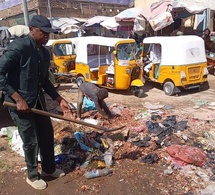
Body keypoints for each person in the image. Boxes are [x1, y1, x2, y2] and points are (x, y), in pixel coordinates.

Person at [0, 15, 71, 190]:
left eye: (49, 33)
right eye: (43, 32)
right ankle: (32, 175)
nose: (47, 36)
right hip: (19, 104)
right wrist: (17, 98)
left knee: (46, 134)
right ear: (32, 30)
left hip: (37, 100)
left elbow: (45, 80)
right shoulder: (19, 47)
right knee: (30, 139)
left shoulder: (44, 52)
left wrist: (59, 99)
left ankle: (48, 169)